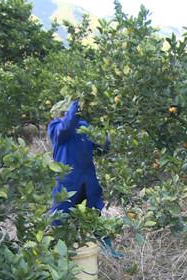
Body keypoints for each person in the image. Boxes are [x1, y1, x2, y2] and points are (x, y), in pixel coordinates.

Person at [48, 98, 123, 258]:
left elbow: (98, 150)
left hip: (88, 182)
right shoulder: (55, 127)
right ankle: (57, 256)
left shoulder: (83, 126)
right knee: (60, 219)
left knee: (95, 216)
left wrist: (107, 138)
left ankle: (109, 252)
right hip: (67, 183)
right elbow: (66, 128)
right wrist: (76, 102)